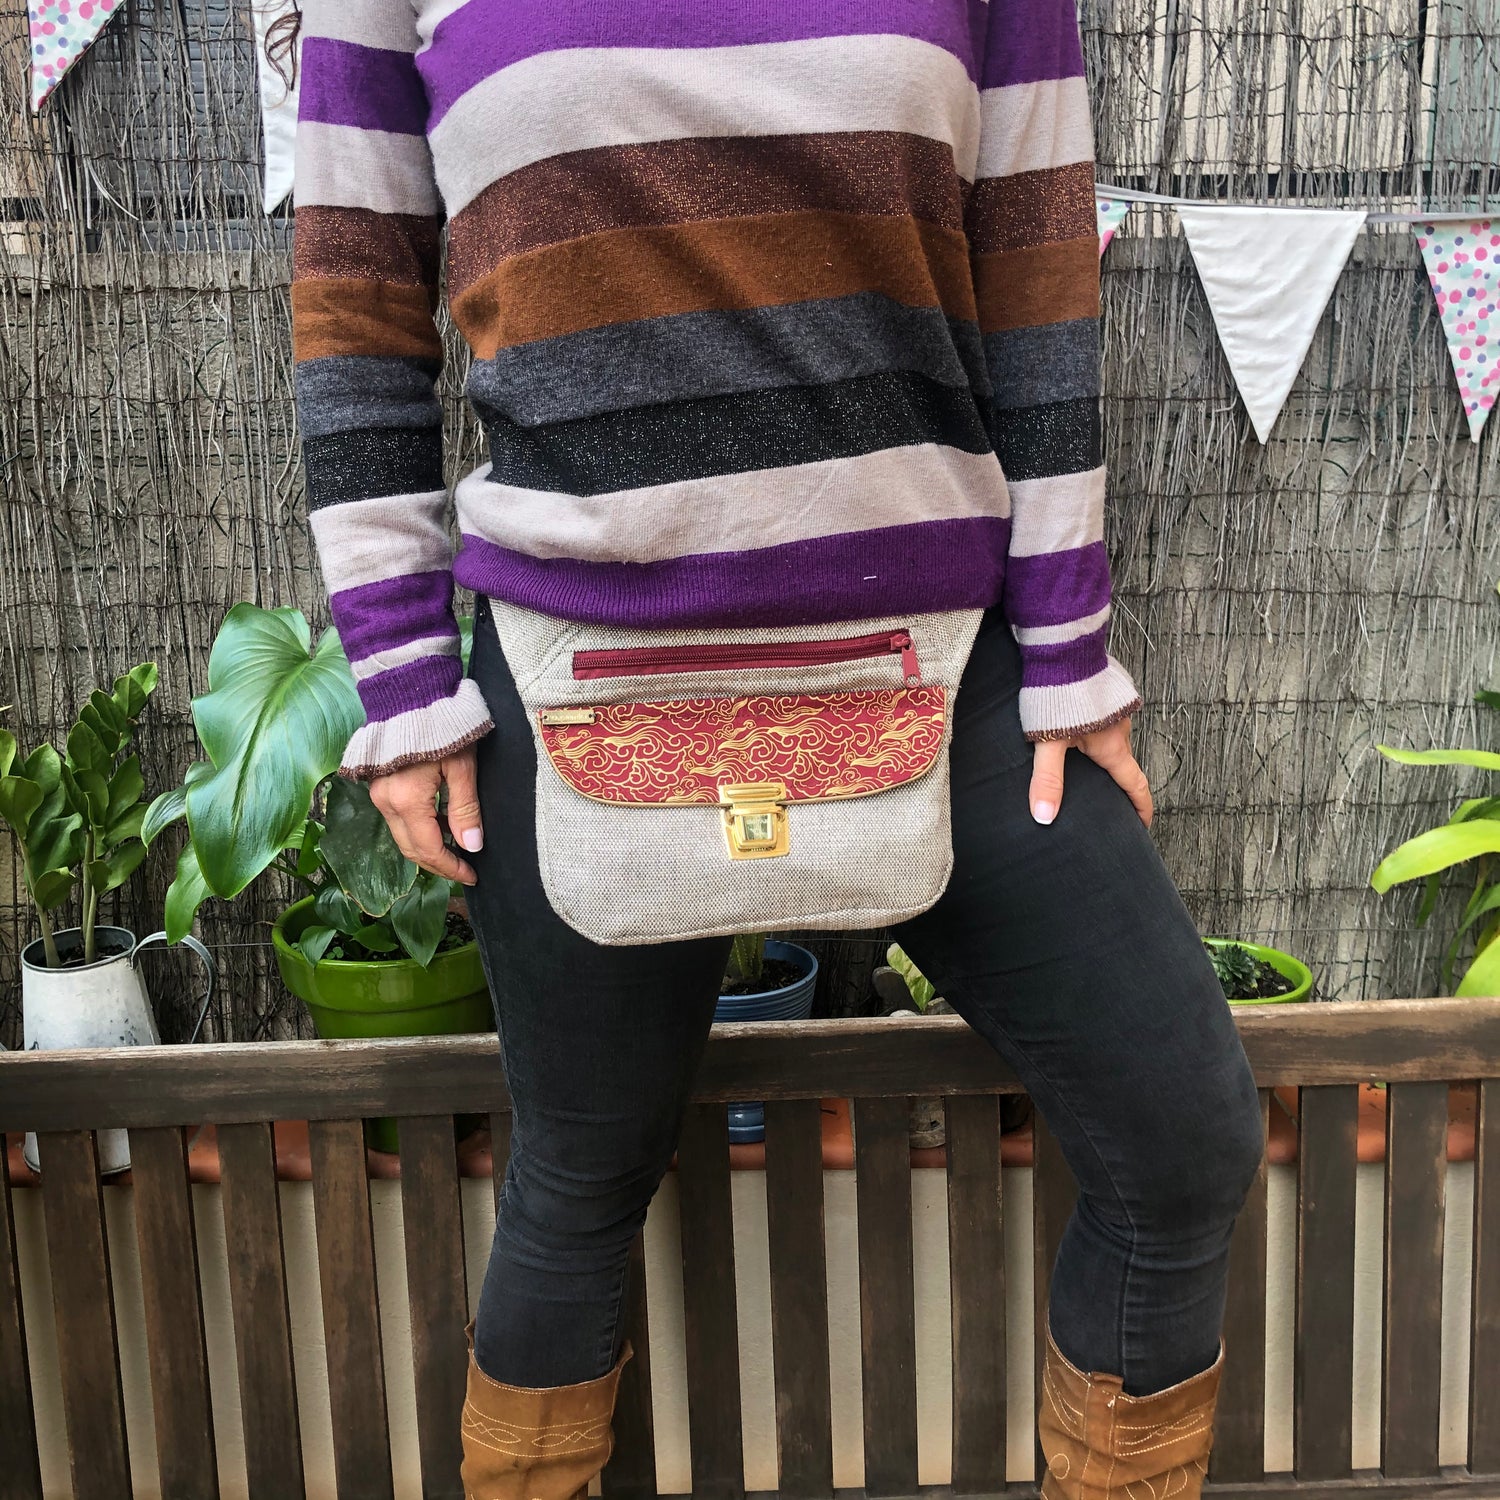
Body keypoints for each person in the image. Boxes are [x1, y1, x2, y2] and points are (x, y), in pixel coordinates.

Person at [285, 1, 1267, 1495]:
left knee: (1182, 1141)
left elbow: (1037, 274)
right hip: (576, 678)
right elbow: (355, 306)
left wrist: (1070, 651)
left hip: (944, 667)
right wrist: (405, 677)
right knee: (579, 1180)